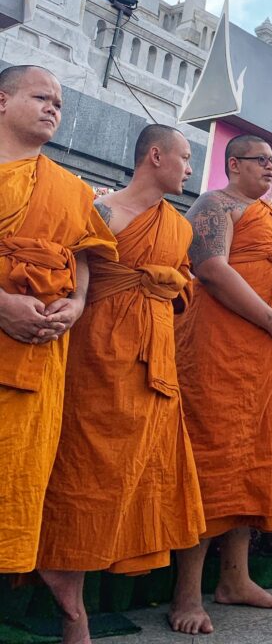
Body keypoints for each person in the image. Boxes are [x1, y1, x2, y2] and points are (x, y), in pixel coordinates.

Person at [37, 125, 206, 641]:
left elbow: (184, 287)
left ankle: (95, 580)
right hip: (97, 356)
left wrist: (168, 286)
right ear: (155, 156)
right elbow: (72, 275)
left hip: (155, 363)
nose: (190, 169)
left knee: (141, 472)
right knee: (85, 470)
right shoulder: (101, 212)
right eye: (185, 158)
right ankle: (65, 585)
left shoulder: (177, 227)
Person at [170, 134, 272, 634]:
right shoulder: (215, 204)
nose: (271, 169)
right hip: (222, 350)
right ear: (234, 163)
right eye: (261, 161)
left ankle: (235, 578)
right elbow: (210, 269)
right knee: (214, 456)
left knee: (254, 459)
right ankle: (186, 593)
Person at [0, 65, 117, 638]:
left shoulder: (69, 190)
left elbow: (84, 264)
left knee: (14, 486)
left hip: (35, 362)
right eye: (40, 96)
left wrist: (74, 306)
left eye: (60, 104)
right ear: (2, 101)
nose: (52, 108)